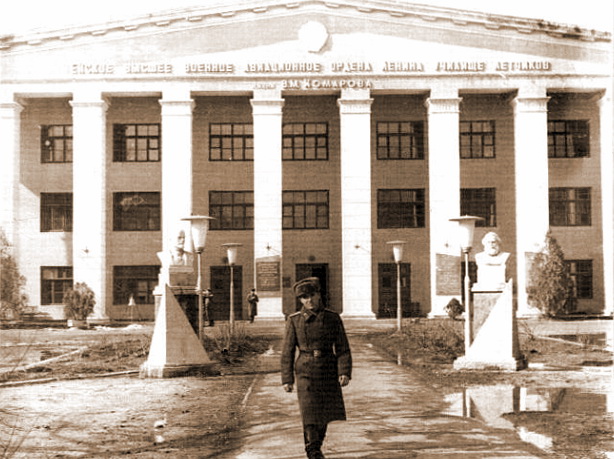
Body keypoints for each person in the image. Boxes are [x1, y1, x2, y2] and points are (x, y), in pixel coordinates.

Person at [281, 277, 352, 459]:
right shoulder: (294, 320)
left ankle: (316, 446)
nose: (309, 300)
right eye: (304, 297)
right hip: (305, 370)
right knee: (309, 411)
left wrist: (344, 371)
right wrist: (287, 379)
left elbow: (343, 348)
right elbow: (287, 351)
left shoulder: (332, 318)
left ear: (318, 295)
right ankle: (312, 451)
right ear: (300, 300)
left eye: (312, 295)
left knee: (325, 412)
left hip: (328, 368)